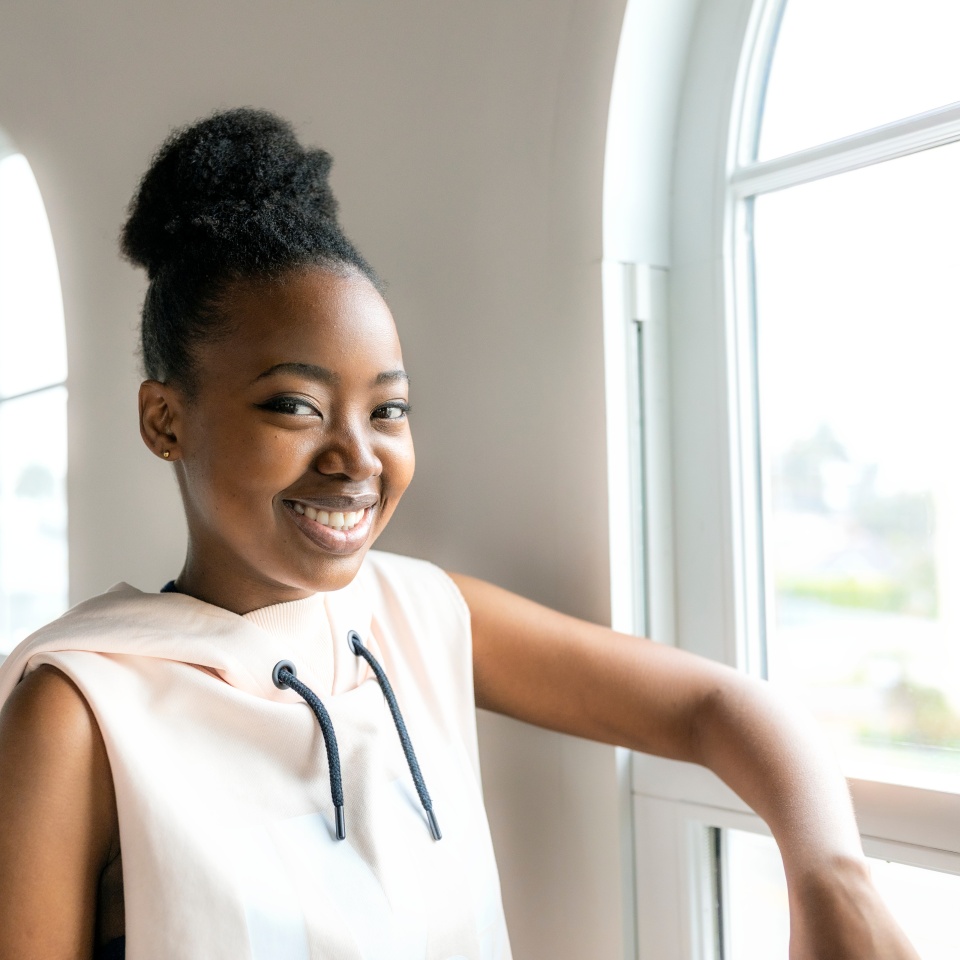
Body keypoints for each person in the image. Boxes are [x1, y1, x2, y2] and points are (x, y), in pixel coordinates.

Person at [0, 109, 921, 960]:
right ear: (165, 420)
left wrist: (829, 873)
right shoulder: (80, 707)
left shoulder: (422, 615)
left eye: (388, 409)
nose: (354, 458)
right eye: (295, 405)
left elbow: (715, 708)